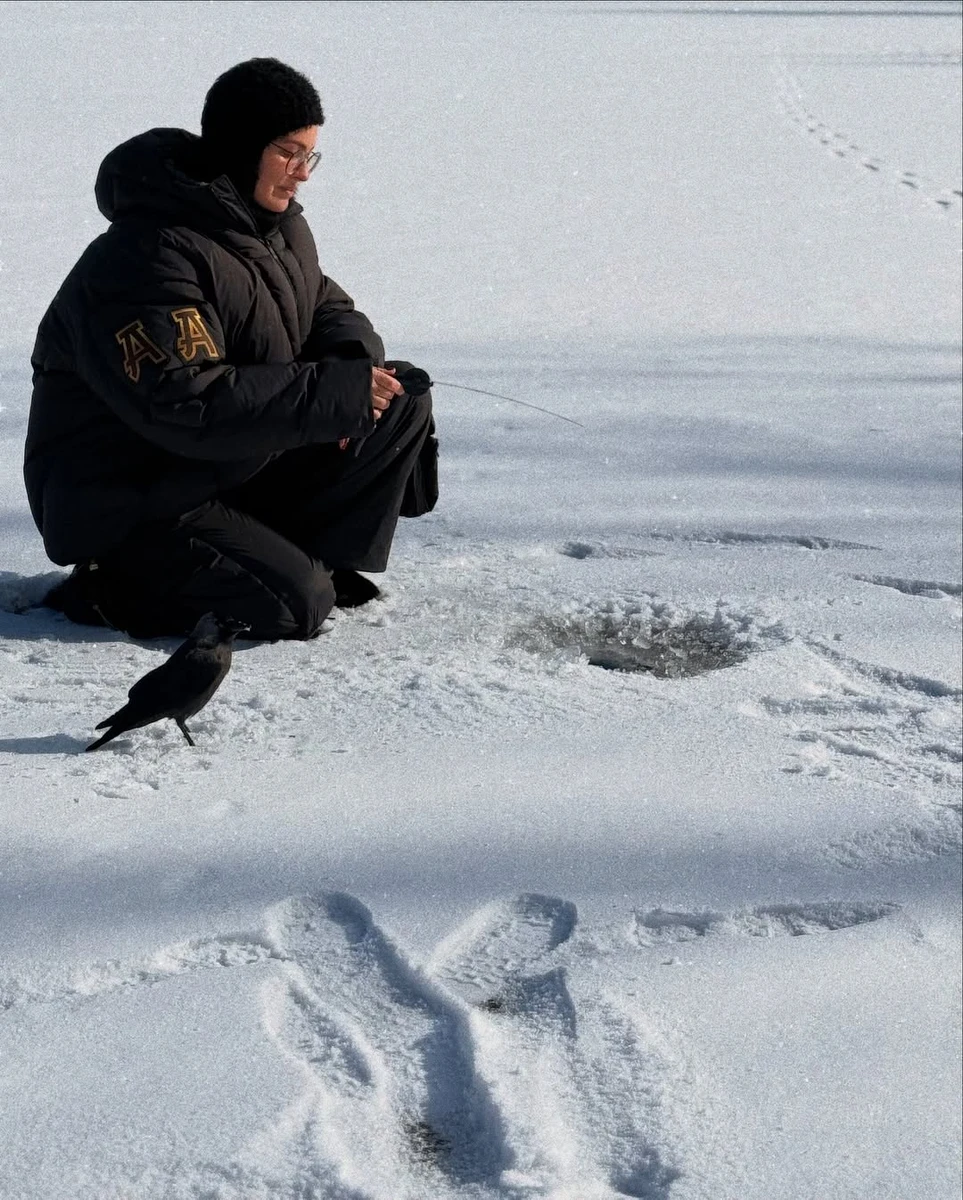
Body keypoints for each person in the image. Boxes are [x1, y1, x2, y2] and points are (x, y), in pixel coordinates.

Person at [25, 58, 436, 641]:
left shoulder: (274, 227)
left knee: (398, 396)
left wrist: (351, 365)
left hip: (216, 471)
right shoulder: (146, 256)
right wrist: (330, 395)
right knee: (296, 608)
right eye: (289, 154)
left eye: (309, 155)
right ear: (244, 148)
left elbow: (325, 306)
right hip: (130, 501)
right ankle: (107, 589)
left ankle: (300, 555)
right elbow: (187, 402)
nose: (303, 174)